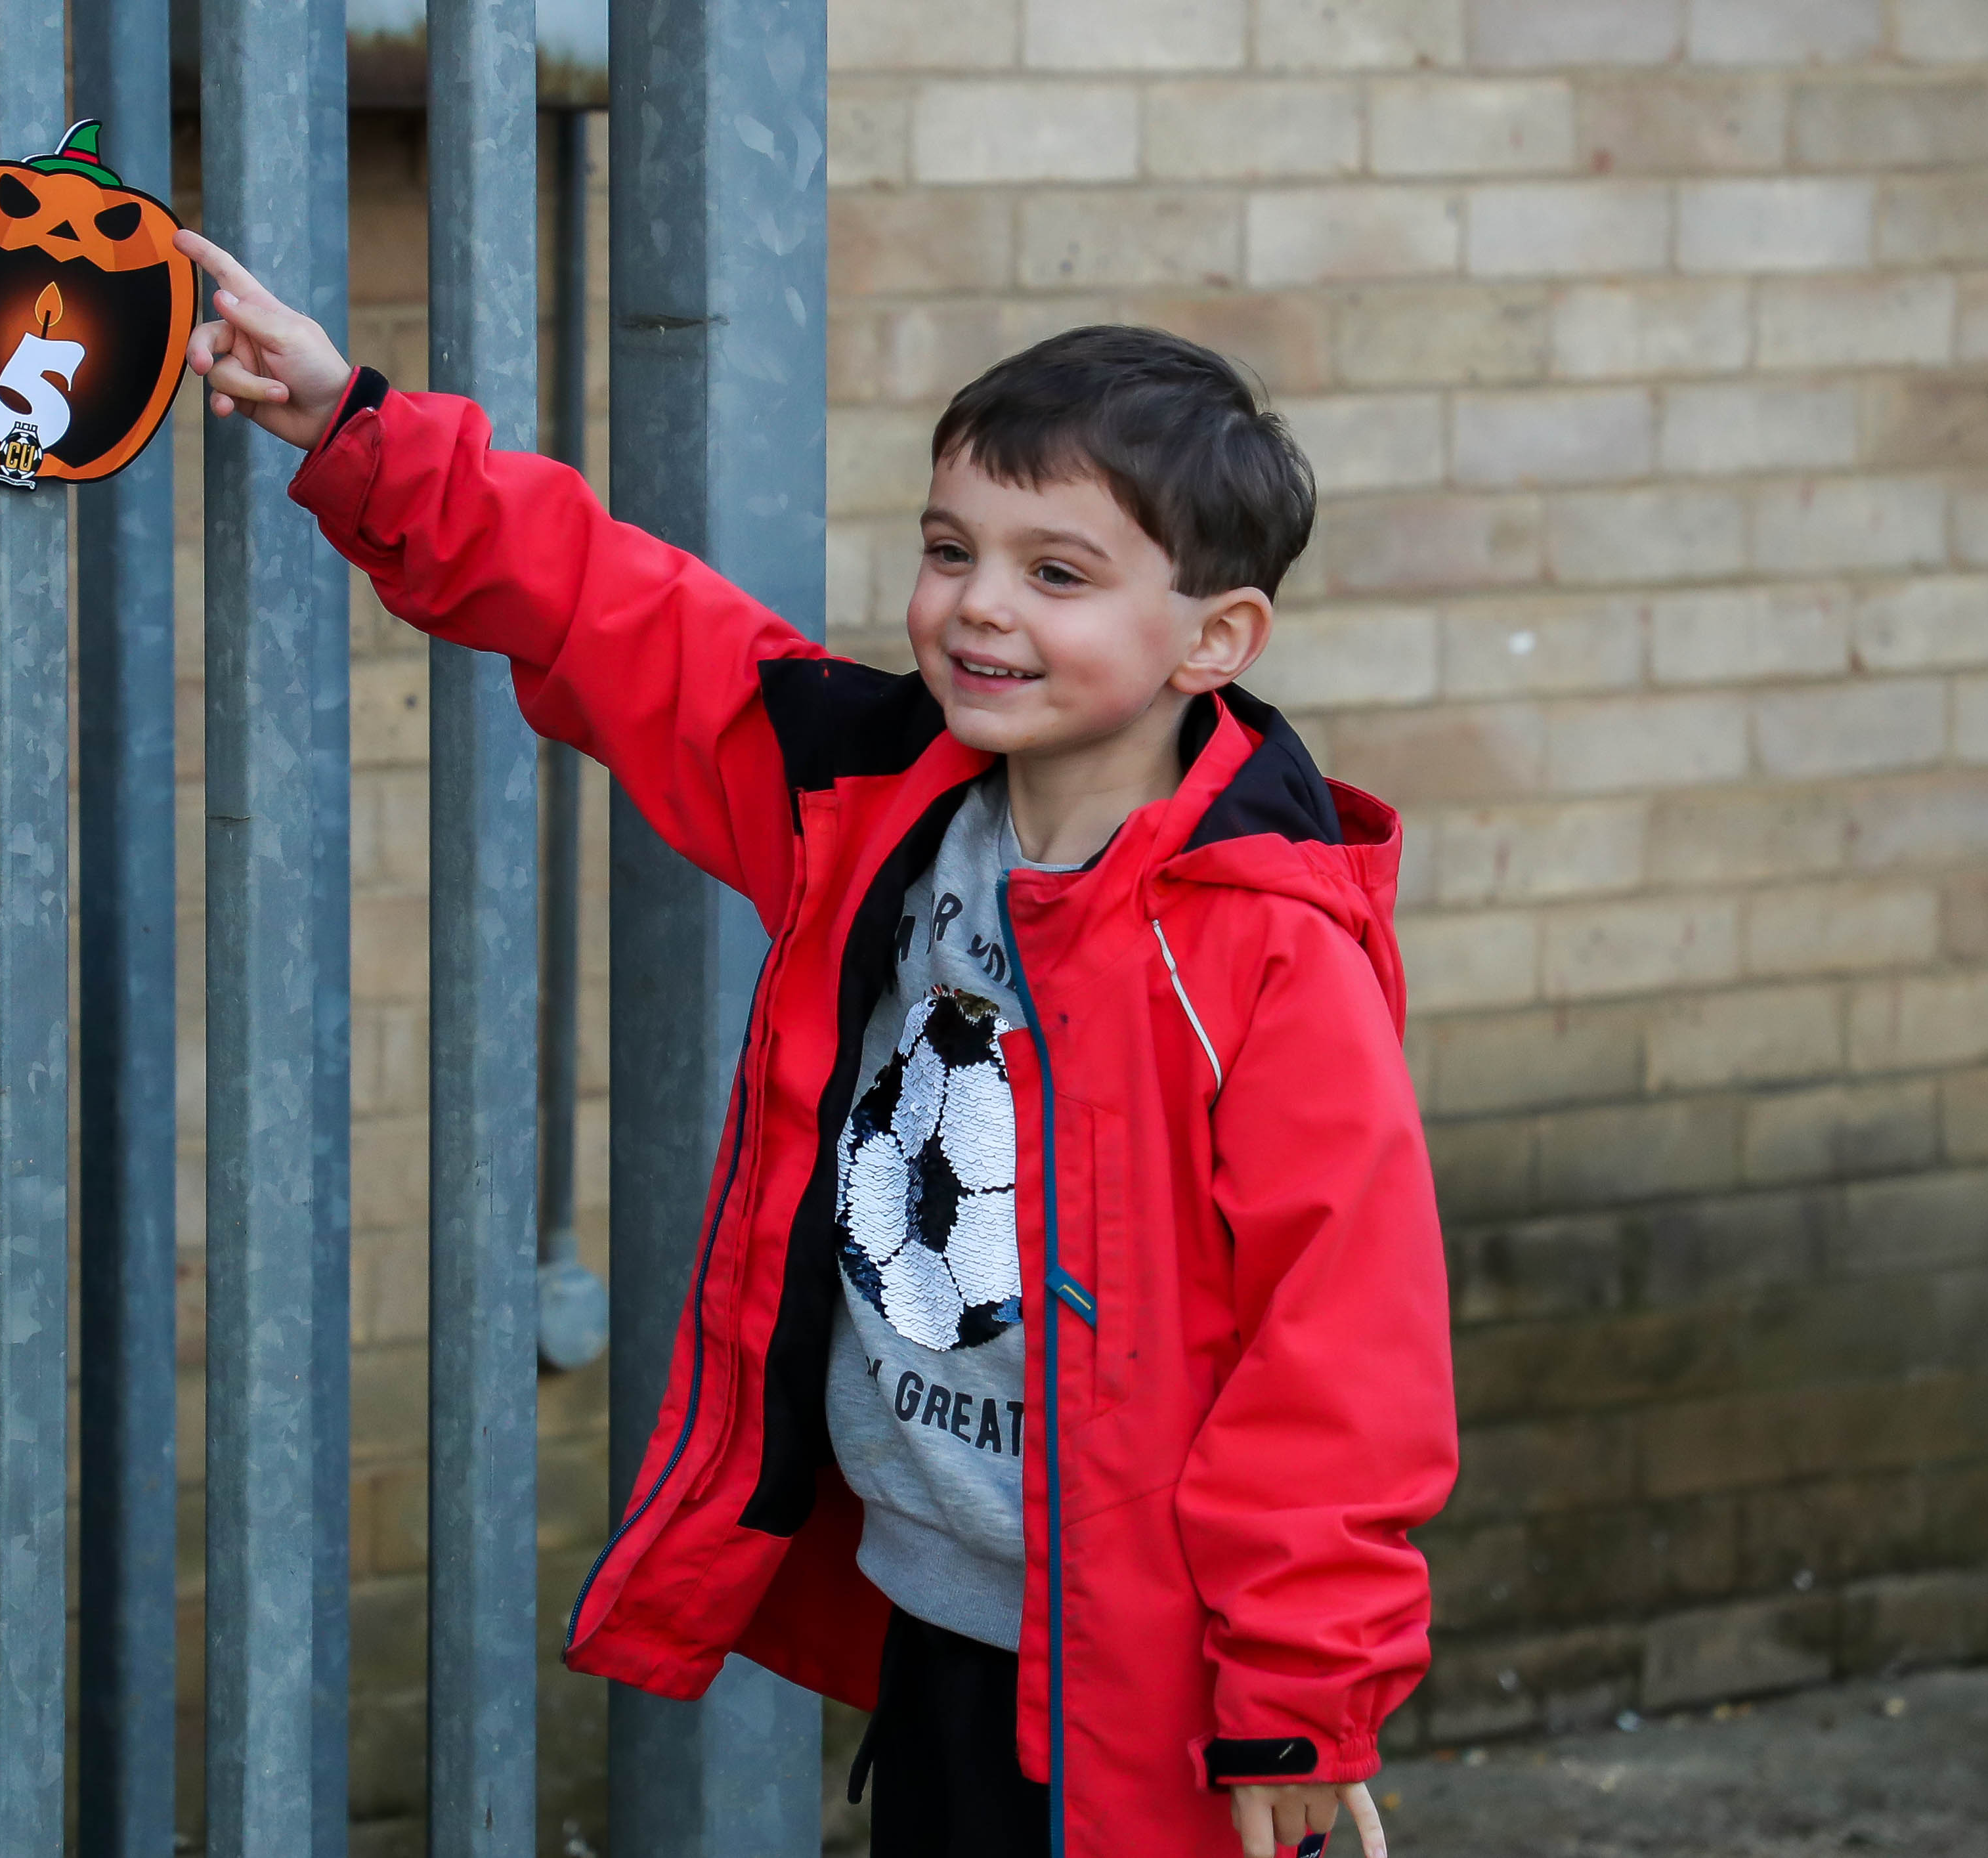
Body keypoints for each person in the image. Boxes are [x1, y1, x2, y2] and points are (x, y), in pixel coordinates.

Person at [174, 225, 1457, 1858]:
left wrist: (1295, 1692)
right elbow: (625, 616)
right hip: (936, 1614)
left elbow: (1344, 1346)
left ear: (1215, 641)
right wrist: (354, 418)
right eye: (951, 548)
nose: (980, 606)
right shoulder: (874, 800)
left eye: (1057, 574)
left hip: (1150, 1674)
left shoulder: (1268, 947)